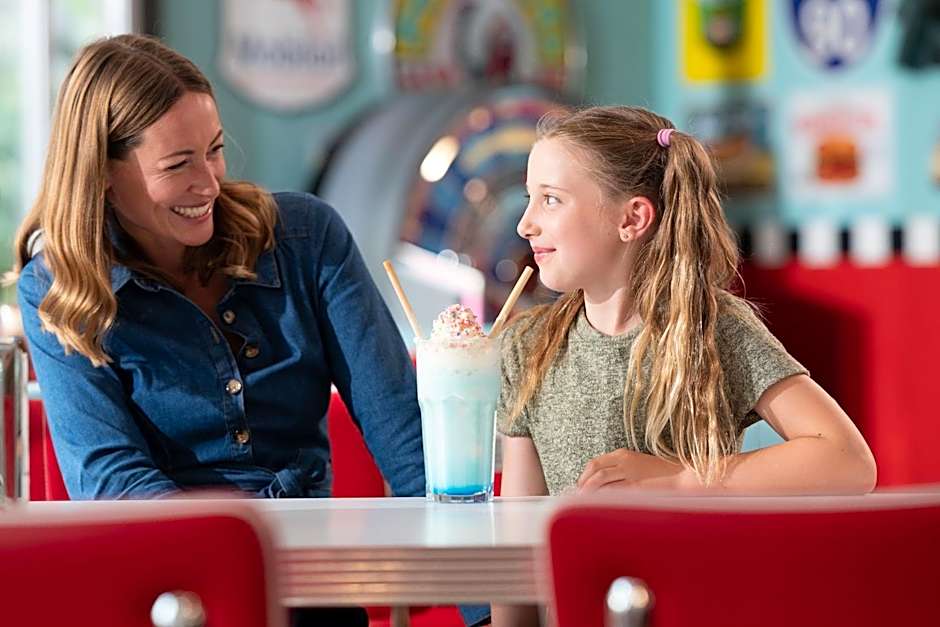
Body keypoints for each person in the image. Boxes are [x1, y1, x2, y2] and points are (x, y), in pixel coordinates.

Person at [11, 33, 425, 626]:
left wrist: (486, 611)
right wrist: (236, 572)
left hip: (307, 592)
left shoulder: (307, 239)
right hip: (166, 596)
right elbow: (111, 483)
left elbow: (404, 436)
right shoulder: (58, 287)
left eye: (215, 150)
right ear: (102, 173)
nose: (208, 183)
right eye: (178, 164)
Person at [492, 106, 877, 626]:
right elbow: (519, 547)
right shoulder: (526, 347)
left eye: (551, 200)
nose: (525, 223)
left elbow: (849, 461)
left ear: (632, 218)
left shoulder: (714, 329)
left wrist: (677, 482)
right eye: (529, 199)